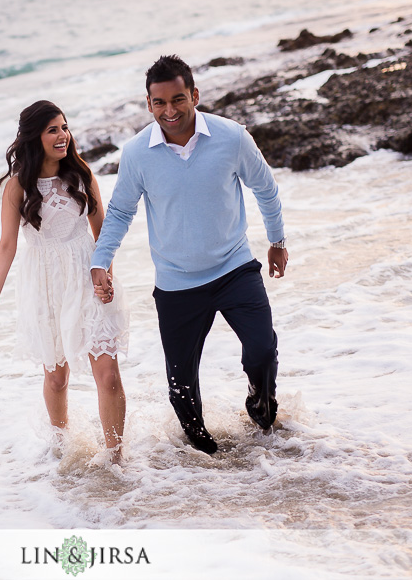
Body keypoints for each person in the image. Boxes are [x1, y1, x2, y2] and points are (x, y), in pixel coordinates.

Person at [90, 55, 288, 455]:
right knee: (181, 388)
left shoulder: (231, 137)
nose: (170, 110)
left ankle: (261, 411)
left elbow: (265, 188)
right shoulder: (136, 154)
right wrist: (100, 261)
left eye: (178, 99)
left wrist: (277, 241)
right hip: (177, 284)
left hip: (234, 269)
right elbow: (121, 212)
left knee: (263, 351)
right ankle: (207, 460)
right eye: (159, 103)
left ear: (195, 95)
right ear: (149, 104)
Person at [0, 100, 129, 457]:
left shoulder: (81, 173)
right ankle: (63, 452)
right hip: (44, 285)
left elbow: (103, 231)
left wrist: (106, 275)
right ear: (34, 137)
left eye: (64, 127)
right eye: (52, 130)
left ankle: (116, 461)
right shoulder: (17, 188)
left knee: (108, 375)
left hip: (88, 277)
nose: (63, 136)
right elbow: (7, 245)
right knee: (57, 379)